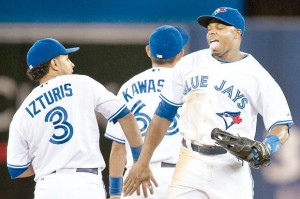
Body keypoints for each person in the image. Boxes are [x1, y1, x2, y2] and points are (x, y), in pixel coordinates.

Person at [122, 7, 294, 199]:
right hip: (190, 161)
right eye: (210, 28)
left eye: (220, 27)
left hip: (231, 167)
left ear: (237, 33)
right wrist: (143, 161)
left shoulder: (257, 75)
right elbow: (163, 114)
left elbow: (281, 124)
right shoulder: (189, 63)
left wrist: (269, 145)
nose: (212, 31)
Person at [6, 38, 143, 199]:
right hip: (84, 184)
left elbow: (17, 170)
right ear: (55, 64)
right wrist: (139, 161)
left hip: (47, 188)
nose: (72, 64)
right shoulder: (82, 83)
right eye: (67, 58)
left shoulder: (22, 112)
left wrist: (50, 163)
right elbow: (125, 115)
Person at [105, 25, 189, 199]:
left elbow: (118, 147)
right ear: (181, 54)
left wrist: (114, 193)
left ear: (148, 51)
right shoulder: (189, 86)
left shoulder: (128, 87)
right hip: (182, 178)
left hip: (136, 178)